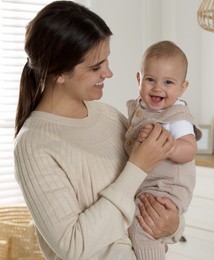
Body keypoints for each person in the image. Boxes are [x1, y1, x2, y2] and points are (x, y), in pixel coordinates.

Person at [13, 2, 185, 259]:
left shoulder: (109, 117)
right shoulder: (34, 145)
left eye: (107, 61)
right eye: (96, 67)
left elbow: (155, 193)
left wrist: (173, 225)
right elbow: (72, 246)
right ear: (59, 72)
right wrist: (137, 166)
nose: (109, 72)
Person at [124, 40, 202, 259]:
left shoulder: (177, 117)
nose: (158, 87)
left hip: (166, 189)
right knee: (130, 225)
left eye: (168, 82)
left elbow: (190, 149)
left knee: (143, 228)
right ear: (139, 79)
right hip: (145, 185)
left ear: (182, 88)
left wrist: (168, 146)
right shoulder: (140, 109)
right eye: (150, 80)